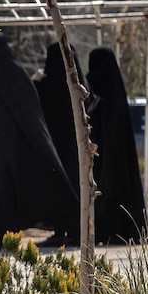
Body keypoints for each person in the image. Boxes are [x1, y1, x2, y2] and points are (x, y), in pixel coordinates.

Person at [0, 34, 76, 251]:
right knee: (6, 197)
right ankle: (7, 241)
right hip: (11, 153)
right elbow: (30, 114)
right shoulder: (15, 74)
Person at [33, 42, 97, 247]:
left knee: (61, 188)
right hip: (77, 146)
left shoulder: (49, 85)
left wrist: (36, 81)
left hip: (56, 148)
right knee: (79, 188)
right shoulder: (80, 86)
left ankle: (62, 231)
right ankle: (79, 232)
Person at [86, 47, 148, 244]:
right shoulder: (115, 93)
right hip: (116, 156)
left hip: (104, 156)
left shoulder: (99, 93)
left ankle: (107, 230)